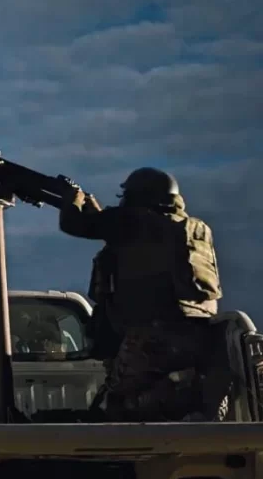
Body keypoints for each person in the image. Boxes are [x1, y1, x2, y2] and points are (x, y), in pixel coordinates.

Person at [58, 167, 224, 421]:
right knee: (164, 396)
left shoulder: (131, 220)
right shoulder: (193, 228)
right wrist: (99, 214)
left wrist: (72, 198)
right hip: (198, 333)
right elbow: (136, 245)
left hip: (150, 335)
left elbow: (73, 224)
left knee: (117, 407)